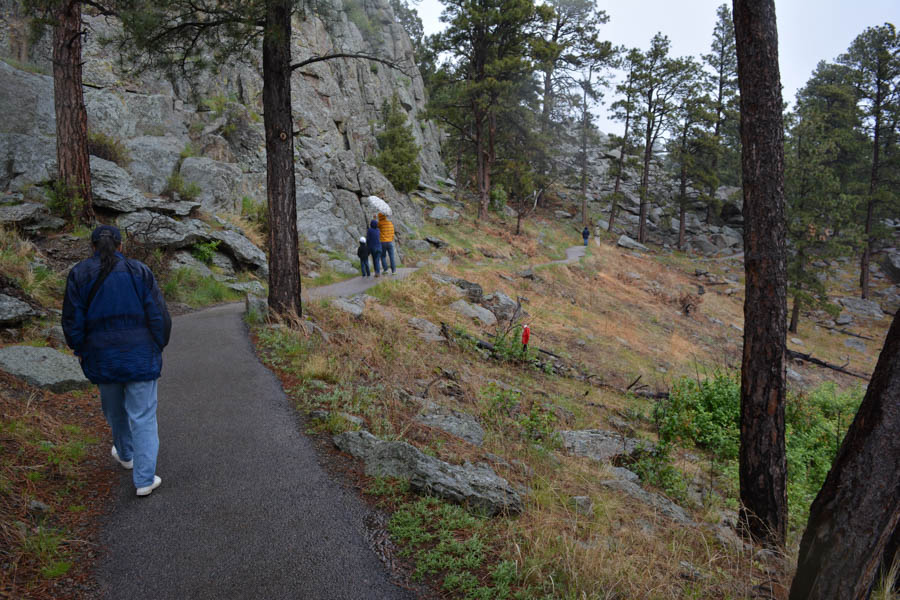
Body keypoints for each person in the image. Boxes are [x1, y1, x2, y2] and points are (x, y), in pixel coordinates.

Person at [62, 225, 171, 497]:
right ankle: (144, 479)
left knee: (114, 411)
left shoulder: (79, 273)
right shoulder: (139, 271)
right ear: (121, 246)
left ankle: (125, 454)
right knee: (143, 416)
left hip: (101, 356)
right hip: (140, 354)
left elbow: (72, 321)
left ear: (92, 247)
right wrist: (157, 344)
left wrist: (80, 349)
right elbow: (158, 315)